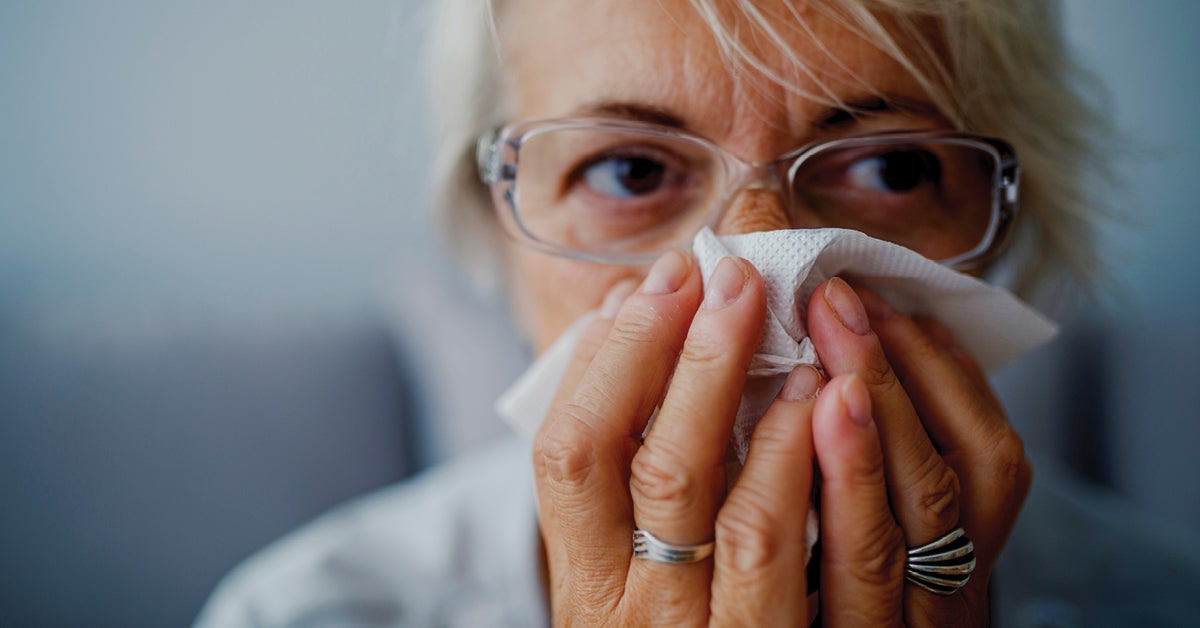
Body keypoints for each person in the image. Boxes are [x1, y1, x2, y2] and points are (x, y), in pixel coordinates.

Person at [196, 0, 1126, 625]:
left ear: (1005, 223)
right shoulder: (305, 612)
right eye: (631, 171)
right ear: (498, 233)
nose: (758, 273)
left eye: (891, 168)